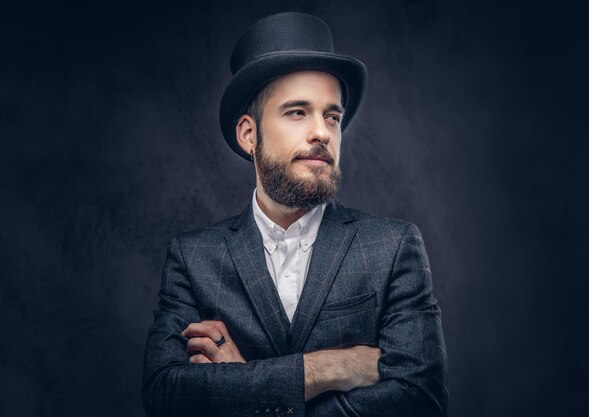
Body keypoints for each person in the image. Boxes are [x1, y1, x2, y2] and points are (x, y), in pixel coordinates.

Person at [142, 12, 447, 417]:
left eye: (332, 116)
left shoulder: (393, 247)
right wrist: (328, 368)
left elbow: (422, 402)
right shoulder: (193, 258)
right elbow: (165, 396)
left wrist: (243, 386)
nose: (322, 132)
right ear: (249, 134)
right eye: (297, 112)